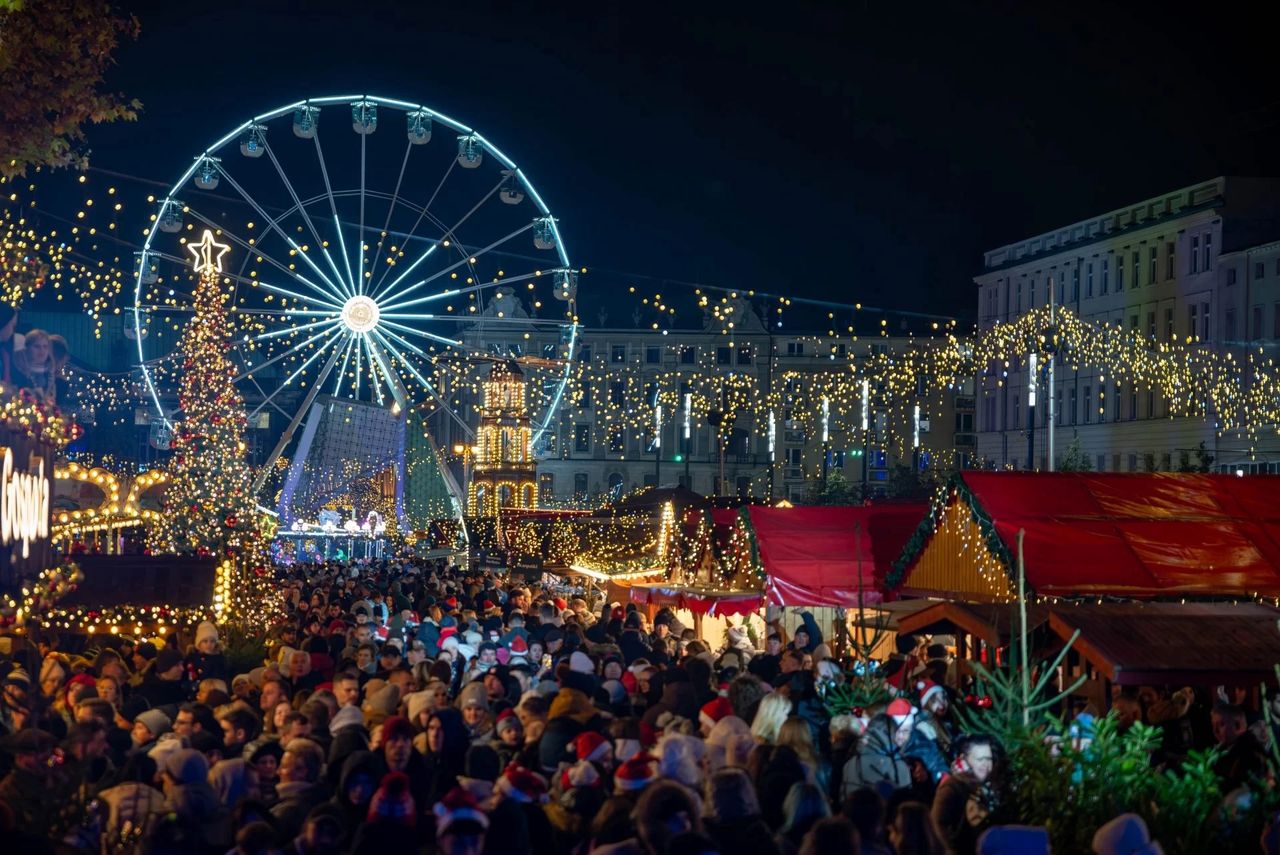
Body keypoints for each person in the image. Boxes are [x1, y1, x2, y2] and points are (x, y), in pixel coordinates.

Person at [931, 735, 1003, 855]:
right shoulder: (952, 787)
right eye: (980, 759)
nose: (985, 764)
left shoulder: (992, 786)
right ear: (965, 760)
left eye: (988, 759)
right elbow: (937, 823)